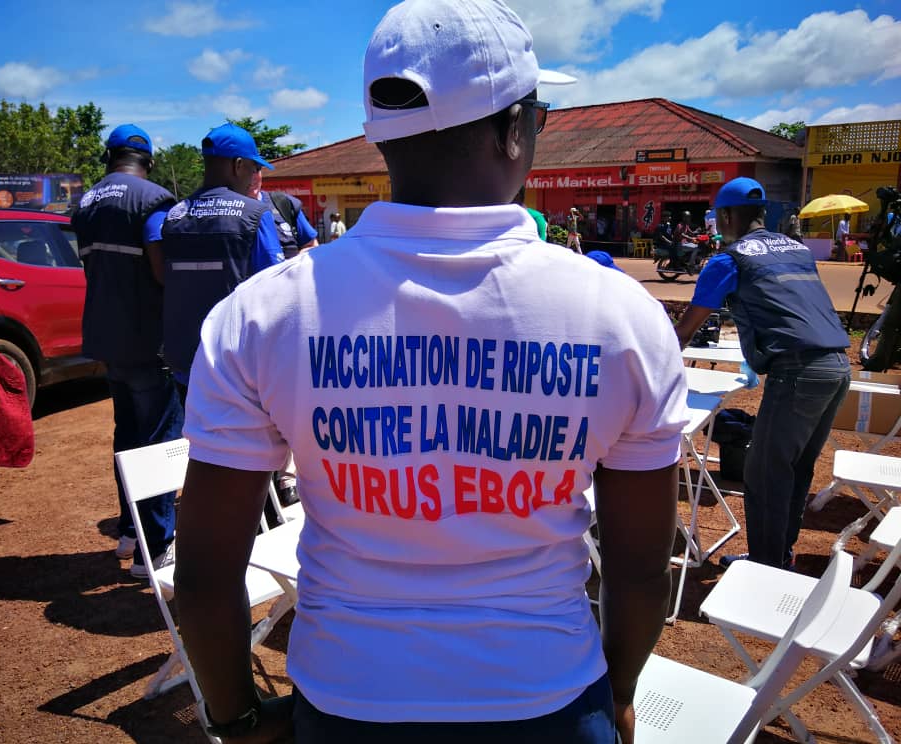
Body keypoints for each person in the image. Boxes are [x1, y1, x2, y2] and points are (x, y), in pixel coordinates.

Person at [174, 2, 686, 743]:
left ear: (382, 132)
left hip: (348, 702)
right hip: (547, 699)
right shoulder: (623, 318)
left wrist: (238, 717)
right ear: (516, 130)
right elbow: (639, 571)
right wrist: (622, 690)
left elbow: (204, 576)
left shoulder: (262, 314)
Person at [674, 177, 850, 571]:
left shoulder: (729, 260)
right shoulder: (796, 249)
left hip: (797, 372)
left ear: (725, 216)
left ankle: (765, 566)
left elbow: (684, 331)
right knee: (795, 467)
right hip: (837, 367)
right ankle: (779, 556)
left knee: (766, 471)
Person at [71, 124, 183, 578]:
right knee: (158, 441)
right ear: (148, 161)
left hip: (108, 339)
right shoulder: (153, 200)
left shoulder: (86, 203)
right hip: (148, 341)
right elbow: (160, 269)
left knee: (129, 437)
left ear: (109, 158)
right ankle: (155, 548)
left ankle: (130, 532)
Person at [160, 123, 285, 400]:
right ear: (238, 165)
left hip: (185, 360)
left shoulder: (175, 215)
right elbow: (276, 288)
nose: (255, 176)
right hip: (234, 365)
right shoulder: (255, 214)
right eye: (254, 168)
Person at [245, 167, 317, 513]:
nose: (255, 175)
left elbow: (310, 245)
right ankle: (261, 490)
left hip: (291, 316)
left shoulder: (282, 205)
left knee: (292, 398)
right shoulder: (231, 210)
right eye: (248, 168)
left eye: (257, 168)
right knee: (257, 406)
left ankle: (287, 481)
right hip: (252, 323)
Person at [248, 169, 319, 259]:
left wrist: (293, 263)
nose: (253, 177)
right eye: (246, 171)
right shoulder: (231, 210)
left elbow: (312, 245)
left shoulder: (283, 203)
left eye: (256, 170)